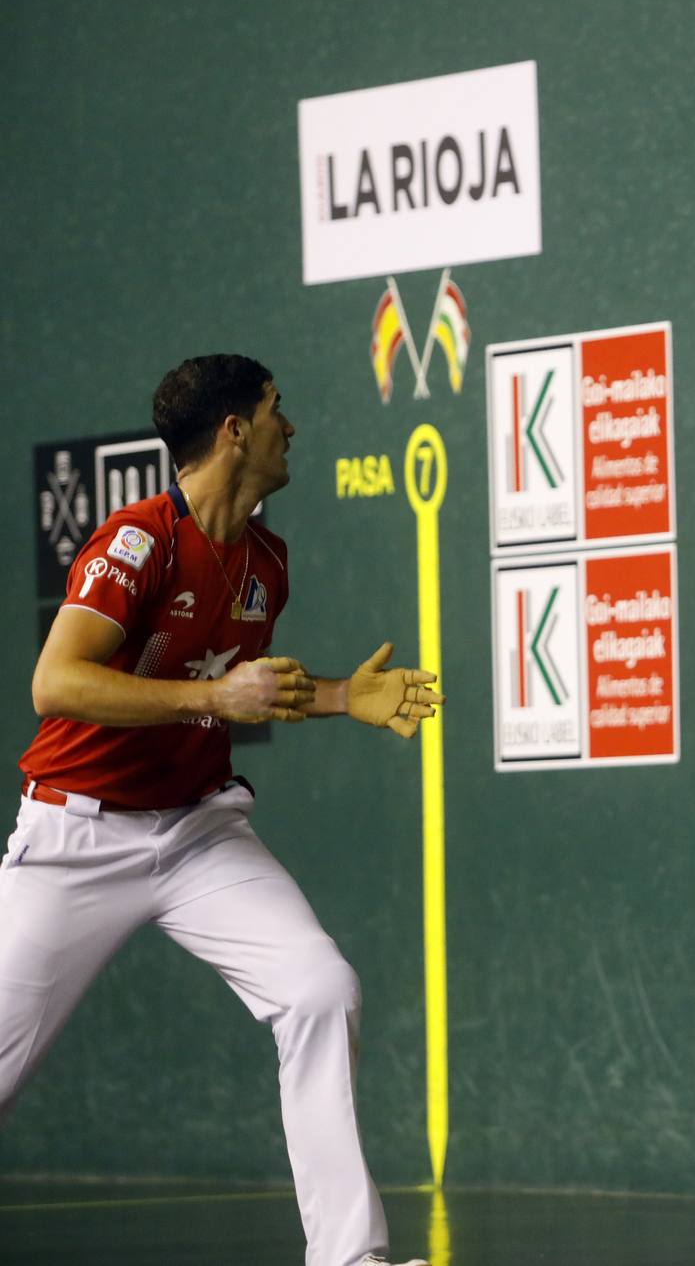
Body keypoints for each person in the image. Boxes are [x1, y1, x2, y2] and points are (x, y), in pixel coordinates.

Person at [2, 355, 445, 1266]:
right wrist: (213, 703)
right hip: (77, 836)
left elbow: (234, 689)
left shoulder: (266, 562)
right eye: (278, 410)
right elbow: (58, 682)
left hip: (198, 832)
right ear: (234, 430)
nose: (294, 427)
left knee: (321, 989)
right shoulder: (137, 541)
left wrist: (335, 698)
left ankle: (348, 1258)